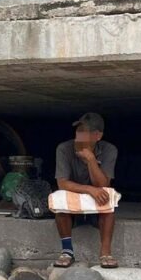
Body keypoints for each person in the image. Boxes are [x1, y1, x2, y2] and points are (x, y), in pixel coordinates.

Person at [53, 112, 119, 268]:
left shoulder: (109, 150)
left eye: (84, 133)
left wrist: (90, 160)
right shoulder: (64, 148)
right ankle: (67, 251)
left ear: (98, 136)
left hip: (96, 202)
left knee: (108, 197)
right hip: (74, 198)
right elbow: (62, 183)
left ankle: (105, 252)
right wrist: (89, 189)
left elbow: (103, 185)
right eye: (78, 132)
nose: (79, 136)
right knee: (59, 198)